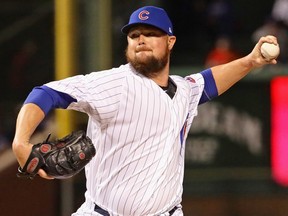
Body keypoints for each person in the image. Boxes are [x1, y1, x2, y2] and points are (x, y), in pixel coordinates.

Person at [12, 6, 279, 216]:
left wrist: (251, 61)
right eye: (134, 35)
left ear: (170, 41)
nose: (141, 40)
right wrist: (20, 141)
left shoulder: (183, 90)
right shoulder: (113, 83)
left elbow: (209, 81)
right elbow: (45, 93)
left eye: (151, 34)